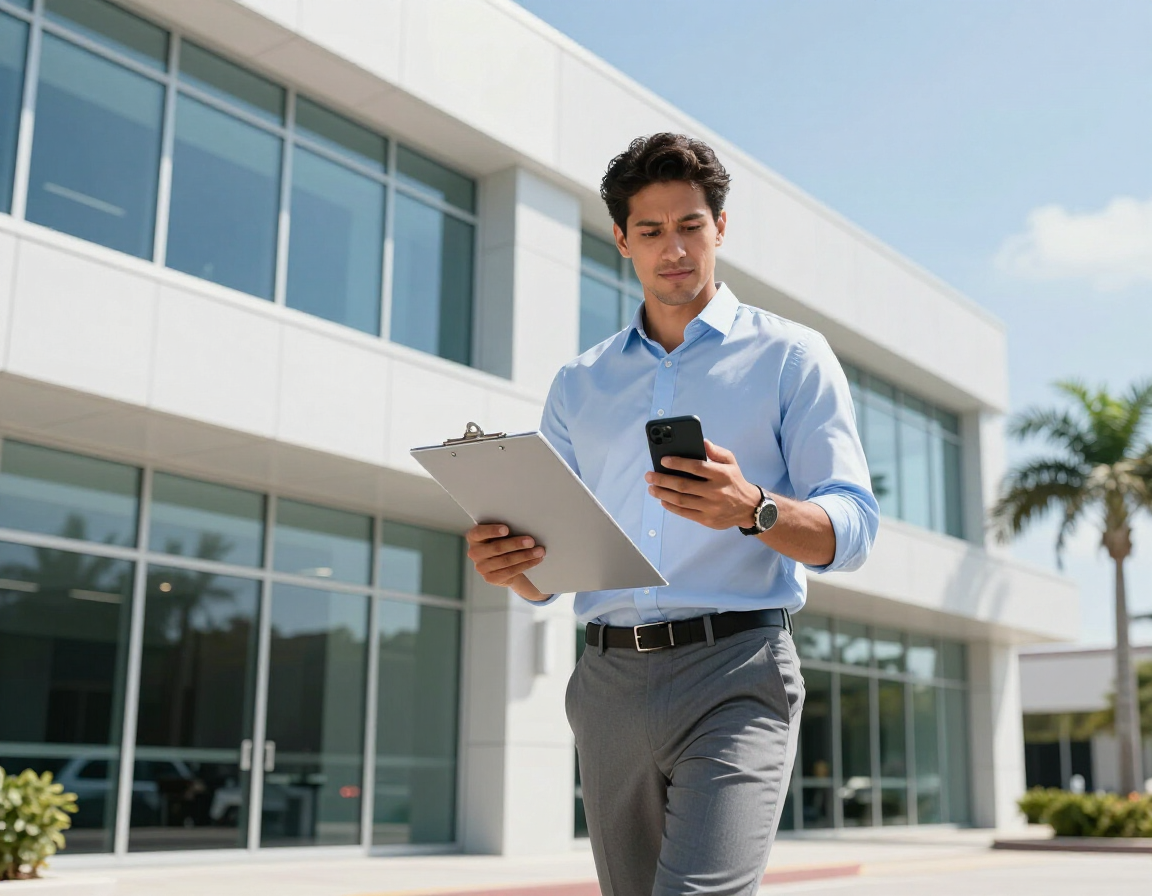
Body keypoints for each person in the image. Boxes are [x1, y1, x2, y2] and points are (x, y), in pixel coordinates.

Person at [465, 133, 878, 896]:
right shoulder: (579, 384)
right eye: (651, 231)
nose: (674, 249)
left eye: (691, 225)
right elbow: (551, 573)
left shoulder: (791, 357)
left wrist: (753, 510)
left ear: (722, 227)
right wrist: (513, 566)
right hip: (608, 682)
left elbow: (852, 528)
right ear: (622, 239)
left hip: (737, 672)